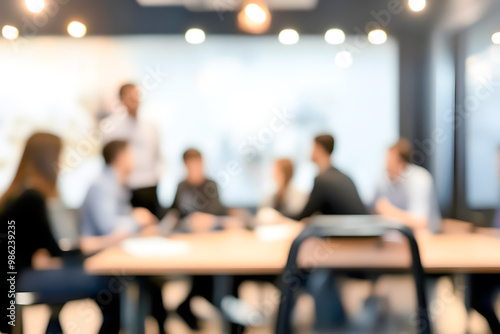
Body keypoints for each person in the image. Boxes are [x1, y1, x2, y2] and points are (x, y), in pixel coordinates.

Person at [0, 133, 120, 334]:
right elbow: (53, 250)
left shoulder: (19, 193)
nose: (62, 162)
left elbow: (32, 248)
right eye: (59, 156)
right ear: (47, 159)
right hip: (16, 281)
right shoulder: (32, 198)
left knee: (75, 278)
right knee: (109, 283)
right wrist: (90, 249)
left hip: (14, 278)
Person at [79, 140, 167, 334]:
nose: (135, 159)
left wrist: (138, 223)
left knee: (151, 281)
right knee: (146, 282)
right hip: (97, 258)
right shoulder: (103, 185)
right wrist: (137, 219)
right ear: (120, 157)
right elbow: (109, 229)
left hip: (113, 254)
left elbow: (121, 224)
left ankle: (147, 326)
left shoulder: (118, 185)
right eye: (131, 153)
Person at [170, 148, 228, 330]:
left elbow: (220, 214)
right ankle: (186, 308)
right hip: (188, 244)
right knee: (199, 279)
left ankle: (186, 307)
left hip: (212, 243)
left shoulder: (212, 184)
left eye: (198, 164)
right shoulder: (181, 186)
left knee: (209, 281)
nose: (195, 168)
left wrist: (206, 221)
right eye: (191, 165)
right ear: (185, 166)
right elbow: (175, 213)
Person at [101, 83, 164, 218]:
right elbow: (108, 162)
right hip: (126, 188)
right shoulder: (111, 128)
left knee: (152, 227)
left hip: (150, 187)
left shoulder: (151, 126)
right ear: (121, 100)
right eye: (129, 96)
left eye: (136, 95)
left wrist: (157, 176)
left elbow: (158, 156)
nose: (134, 99)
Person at [373, 138, 441, 233]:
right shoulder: (383, 180)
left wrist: (389, 211)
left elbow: (420, 222)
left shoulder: (420, 179)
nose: (386, 166)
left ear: (401, 163)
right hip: (393, 236)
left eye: (390, 161)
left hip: (424, 237)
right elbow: (374, 210)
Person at [296, 134, 366, 220]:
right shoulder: (345, 177)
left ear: (319, 149)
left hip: (342, 231)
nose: (309, 151)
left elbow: (304, 215)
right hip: (359, 230)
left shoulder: (322, 180)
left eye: (312, 147)